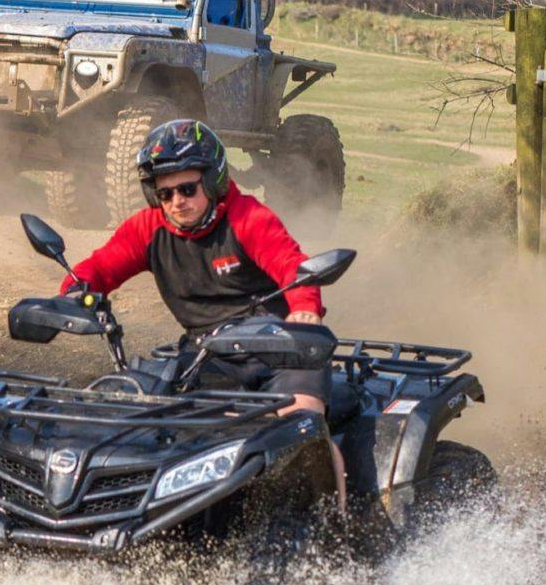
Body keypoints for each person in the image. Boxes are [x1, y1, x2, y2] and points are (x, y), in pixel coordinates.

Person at [59, 118, 346, 502]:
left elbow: (292, 266)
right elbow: (101, 266)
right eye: (165, 193)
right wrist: (74, 292)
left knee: (305, 428)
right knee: (156, 427)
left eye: (187, 188)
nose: (176, 201)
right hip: (208, 355)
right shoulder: (148, 229)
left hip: (285, 351)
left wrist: (304, 309)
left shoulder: (248, 218)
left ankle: (337, 533)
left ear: (211, 181)